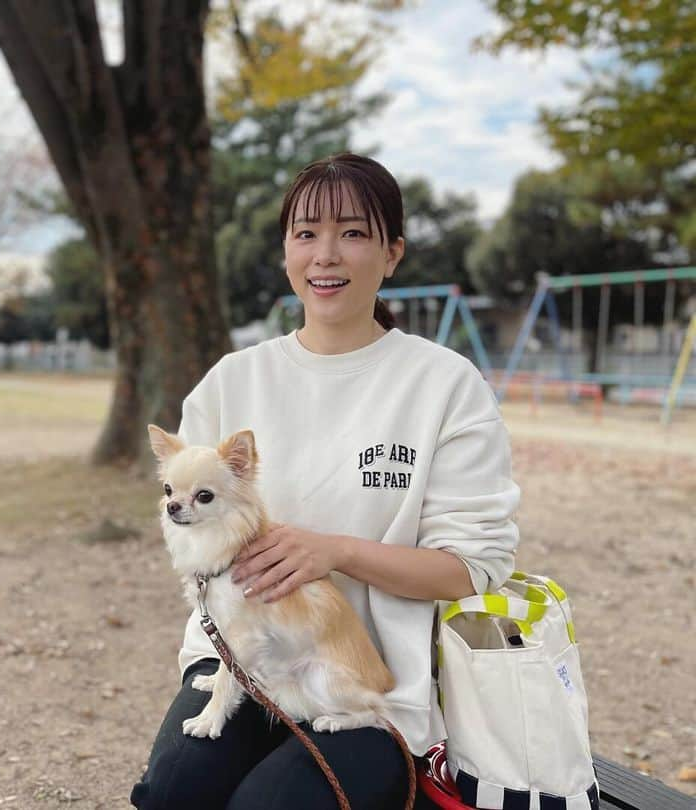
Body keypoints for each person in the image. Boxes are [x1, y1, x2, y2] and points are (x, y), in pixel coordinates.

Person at [130, 153, 520, 810]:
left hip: (366, 690)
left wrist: (335, 552)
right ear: (286, 248)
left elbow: (472, 567)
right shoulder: (232, 381)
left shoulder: (445, 386)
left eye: (354, 233)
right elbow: (189, 530)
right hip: (241, 665)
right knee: (173, 795)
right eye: (306, 233)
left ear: (392, 253)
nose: (325, 256)